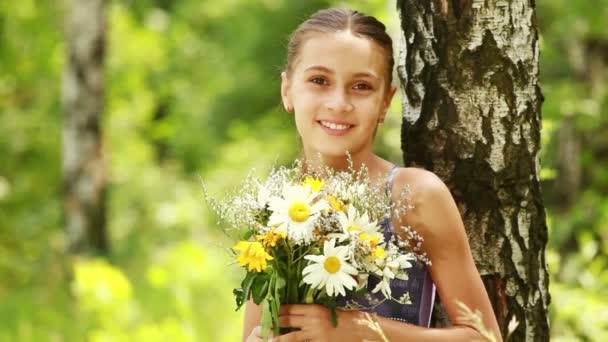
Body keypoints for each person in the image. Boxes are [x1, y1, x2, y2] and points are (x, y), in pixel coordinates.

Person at [243, 7, 502, 342]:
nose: (339, 103)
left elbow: (485, 337)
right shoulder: (274, 212)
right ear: (287, 90)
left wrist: (359, 328)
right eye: (319, 81)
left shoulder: (414, 195)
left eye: (361, 86)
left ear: (385, 102)